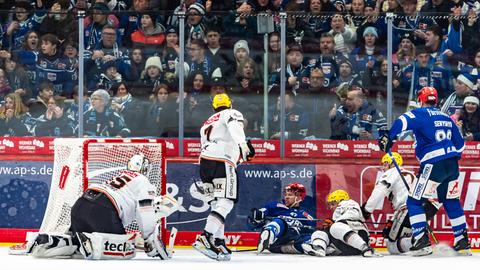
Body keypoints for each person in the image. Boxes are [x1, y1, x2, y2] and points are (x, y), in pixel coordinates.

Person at [27, 153, 179, 260]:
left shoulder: (120, 177)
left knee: (77, 244)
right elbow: (145, 210)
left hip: (81, 206)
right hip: (103, 210)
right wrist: (149, 238)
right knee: (127, 250)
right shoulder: (142, 180)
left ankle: (52, 240)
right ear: (145, 168)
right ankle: (90, 242)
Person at [378, 86, 471, 256]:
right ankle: (462, 239)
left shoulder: (420, 114)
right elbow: (461, 145)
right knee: (451, 201)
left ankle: (420, 239)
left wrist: (388, 136)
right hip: (452, 164)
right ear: (435, 100)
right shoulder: (446, 117)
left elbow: (402, 122)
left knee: (414, 201)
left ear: (421, 100)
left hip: (433, 164)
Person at [193, 93, 255, 261]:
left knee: (216, 203)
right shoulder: (231, 113)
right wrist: (242, 143)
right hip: (222, 161)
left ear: (213, 107)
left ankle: (218, 241)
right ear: (230, 104)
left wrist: (240, 154)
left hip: (205, 164)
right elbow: (234, 126)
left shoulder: (207, 123)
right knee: (226, 201)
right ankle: (205, 237)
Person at [361, 152, 440, 254]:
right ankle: (420, 239)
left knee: (391, 246)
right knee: (403, 235)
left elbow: (379, 191)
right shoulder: (410, 173)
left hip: (409, 209)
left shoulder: (392, 172)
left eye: (385, 164)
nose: (383, 168)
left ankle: (420, 243)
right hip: (428, 206)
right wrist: (393, 221)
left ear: (392, 164)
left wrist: (367, 210)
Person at [251, 183, 317, 255]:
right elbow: (258, 219)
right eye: (285, 195)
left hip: (288, 243)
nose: (286, 197)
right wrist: (258, 216)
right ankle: (268, 235)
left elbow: (311, 231)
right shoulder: (276, 206)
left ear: (299, 198)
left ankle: (321, 247)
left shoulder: (305, 215)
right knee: (280, 222)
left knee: (309, 239)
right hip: (276, 239)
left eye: (290, 195)